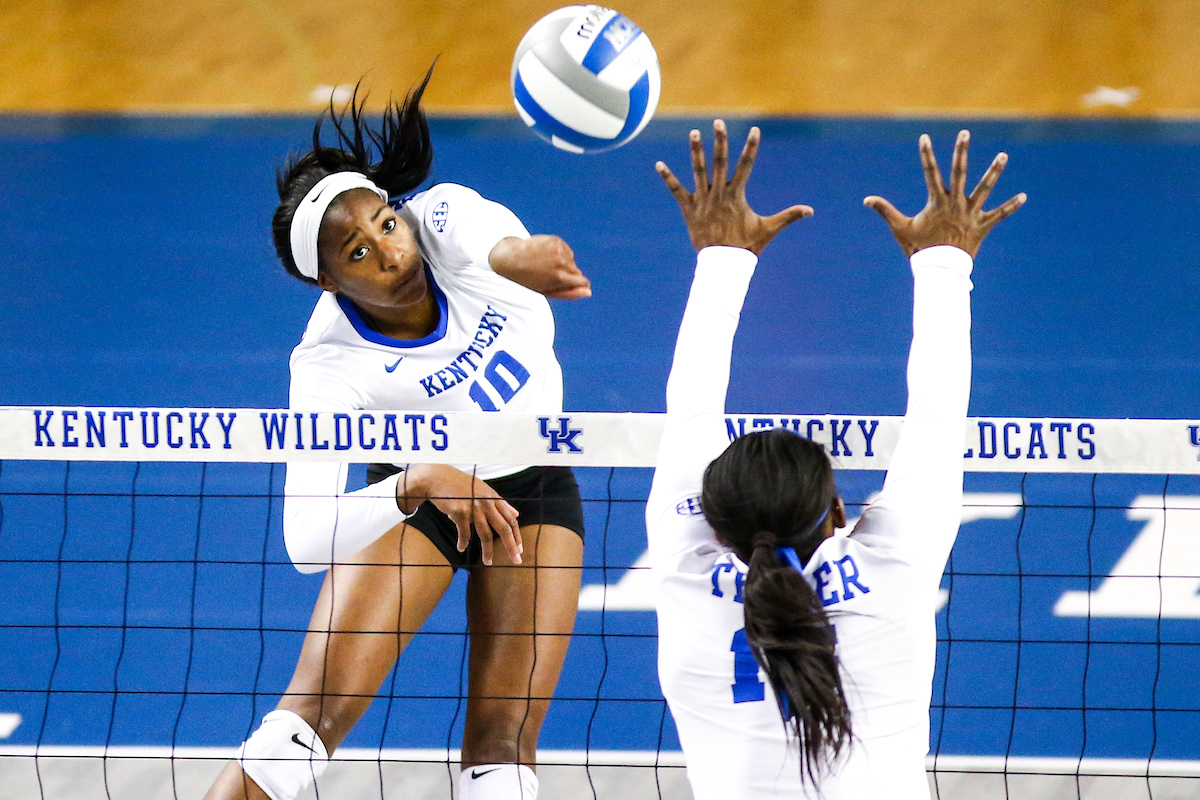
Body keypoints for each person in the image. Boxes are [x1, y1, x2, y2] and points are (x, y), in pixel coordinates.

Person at [204, 69, 591, 800]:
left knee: (503, 746)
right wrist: (416, 481)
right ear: (327, 282)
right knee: (306, 722)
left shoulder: (441, 221)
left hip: (532, 485)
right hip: (417, 495)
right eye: (356, 254)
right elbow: (305, 540)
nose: (390, 255)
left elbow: (493, 245)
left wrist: (521, 257)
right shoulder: (328, 363)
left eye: (385, 224)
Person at [647, 121, 1024, 798]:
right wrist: (942, 261)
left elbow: (688, 407)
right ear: (840, 512)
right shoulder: (894, 566)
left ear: (713, 523)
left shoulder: (682, 568)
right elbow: (939, 410)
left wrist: (723, 259)